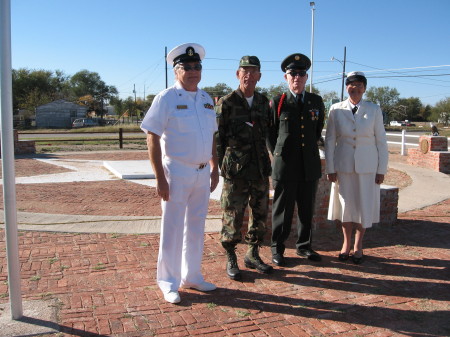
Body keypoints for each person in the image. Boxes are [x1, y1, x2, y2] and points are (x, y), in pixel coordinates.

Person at [140, 43, 219, 303]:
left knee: (196, 227)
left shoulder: (207, 99)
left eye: (197, 66)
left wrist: (214, 167)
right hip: (176, 171)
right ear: (176, 70)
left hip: (201, 172)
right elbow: (152, 137)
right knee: (172, 228)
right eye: (187, 67)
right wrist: (160, 178)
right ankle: (168, 281)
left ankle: (192, 276)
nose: (193, 71)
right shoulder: (166, 98)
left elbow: (212, 137)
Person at [216, 56, 273, 280]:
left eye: (253, 71)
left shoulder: (262, 101)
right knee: (232, 213)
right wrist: (220, 166)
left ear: (259, 76)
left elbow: (267, 133)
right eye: (244, 71)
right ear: (237, 74)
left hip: (259, 168)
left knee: (260, 213)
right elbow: (218, 138)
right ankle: (231, 257)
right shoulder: (227, 102)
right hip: (236, 169)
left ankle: (252, 254)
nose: (249, 75)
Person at [267, 53, 325, 267]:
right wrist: (278, 155)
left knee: (306, 209)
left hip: (308, 165)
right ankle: (278, 249)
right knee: (282, 210)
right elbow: (270, 134)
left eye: (301, 74)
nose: (297, 77)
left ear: (306, 77)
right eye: (293, 74)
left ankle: (304, 246)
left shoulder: (316, 102)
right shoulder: (277, 102)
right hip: (285, 166)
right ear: (286, 77)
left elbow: (316, 130)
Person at [325, 71, 388, 264]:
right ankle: (345, 244)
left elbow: (381, 142)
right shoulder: (336, 109)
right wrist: (330, 168)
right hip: (343, 165)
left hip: (368, 166)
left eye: (360, 85)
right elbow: (329, 141)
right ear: (346, 87)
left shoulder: (374, 109)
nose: (355, 88)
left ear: (365, 88)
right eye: (352, 84)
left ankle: (358, 246)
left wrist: (381, 170)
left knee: (364, 205)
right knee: (346, 207)